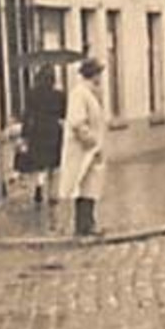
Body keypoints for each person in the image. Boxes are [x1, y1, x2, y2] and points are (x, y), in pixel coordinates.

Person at [60, 58, 108, 237]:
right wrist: (92, 141)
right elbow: (77, 122)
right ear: (92, 75)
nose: (100, 77)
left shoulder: (89, 93)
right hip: (82, 150)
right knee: (84, 186)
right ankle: (84, 225)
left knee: (91, 186)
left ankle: (87, 223)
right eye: (98, 74)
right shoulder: (79, 94)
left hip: (89, 150)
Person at [19, 66, 66, 205]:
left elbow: (27, 115)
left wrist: (24, 135)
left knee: (40, 164)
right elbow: (63, 114)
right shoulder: (59, 95)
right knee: (53, 165)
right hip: (53, 130)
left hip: (37, 131)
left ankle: (39, 186)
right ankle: (52, 195)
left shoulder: (32, 94)